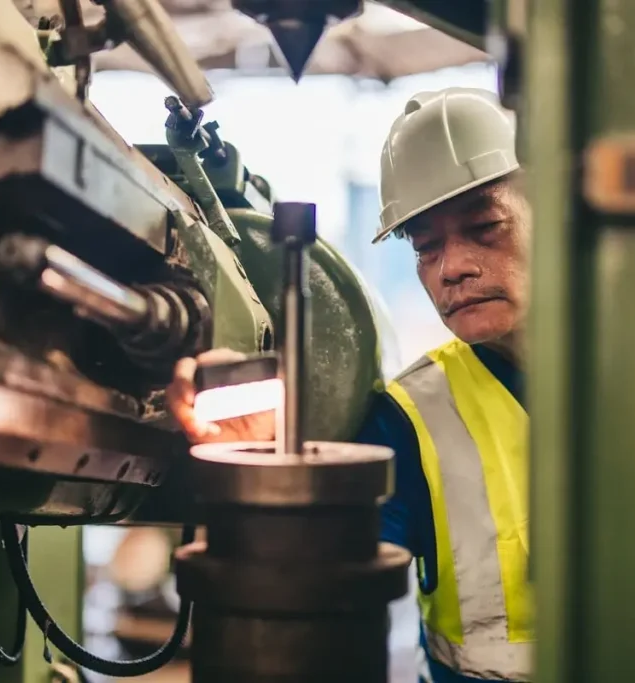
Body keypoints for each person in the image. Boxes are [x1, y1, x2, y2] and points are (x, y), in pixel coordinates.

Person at [167, 87, 533, 683]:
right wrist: (265, 459)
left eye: (485, 227)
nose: (451, 268)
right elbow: (310, 566)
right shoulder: (412, 417)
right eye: (425, 246)